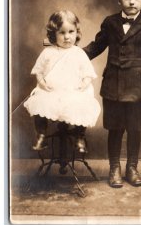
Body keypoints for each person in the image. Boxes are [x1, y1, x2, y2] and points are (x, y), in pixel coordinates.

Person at [83, 0, 141, 187]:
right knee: (115, 129)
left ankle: (132, 168)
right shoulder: (110, 22)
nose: (131, 1)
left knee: (135, 129)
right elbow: (96, 47)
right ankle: (114, 169)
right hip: (113, 86)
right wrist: (73, 54)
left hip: (138, 87)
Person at [24, 10, 101, 153]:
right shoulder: (48, 52)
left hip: (73, 91)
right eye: (62, 33)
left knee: (82, 104)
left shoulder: (79, 53)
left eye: (71, 32)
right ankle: (41, 135)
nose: (67, 37)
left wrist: (83, 84)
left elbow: (88, 73)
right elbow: (38, 71)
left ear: (76, 33)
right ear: (54, 34)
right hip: (52, 91)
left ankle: (79, 136)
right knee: (39, 102)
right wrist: (42, 83)